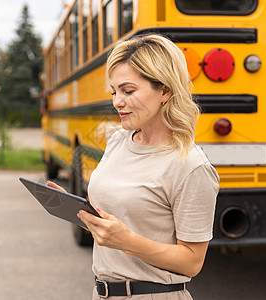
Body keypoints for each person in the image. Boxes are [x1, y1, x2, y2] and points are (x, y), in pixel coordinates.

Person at [48, 34, 219, 299]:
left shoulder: (190, 166)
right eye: (114, 92)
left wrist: (128, 242)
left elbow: (192, 262)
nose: (117, 101)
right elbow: (115, 217)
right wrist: (75, 209)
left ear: (165, 90)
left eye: (128, 91)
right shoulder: (118, 141)